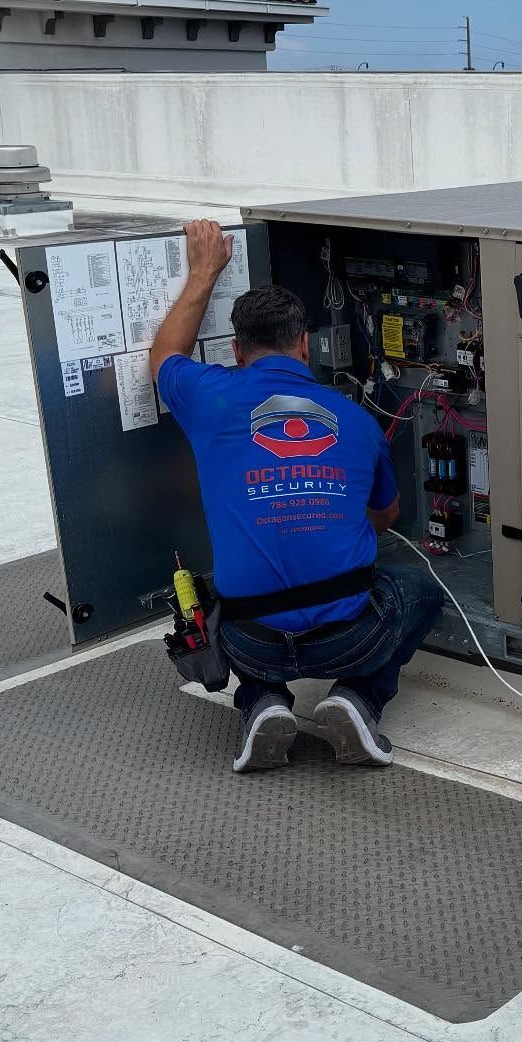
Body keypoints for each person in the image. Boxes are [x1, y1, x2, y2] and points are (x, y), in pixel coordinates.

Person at [149, 220, 441, 773]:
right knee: (420, 592)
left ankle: (261, 701)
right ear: (305, 345)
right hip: (348, 639)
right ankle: (358, 699)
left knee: (230, 593)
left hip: (250, 639)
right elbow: (387, 516)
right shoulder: (356, 420)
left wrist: (204, 272)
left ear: (236, 350)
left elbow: (163, 355)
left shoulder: (208, 399)